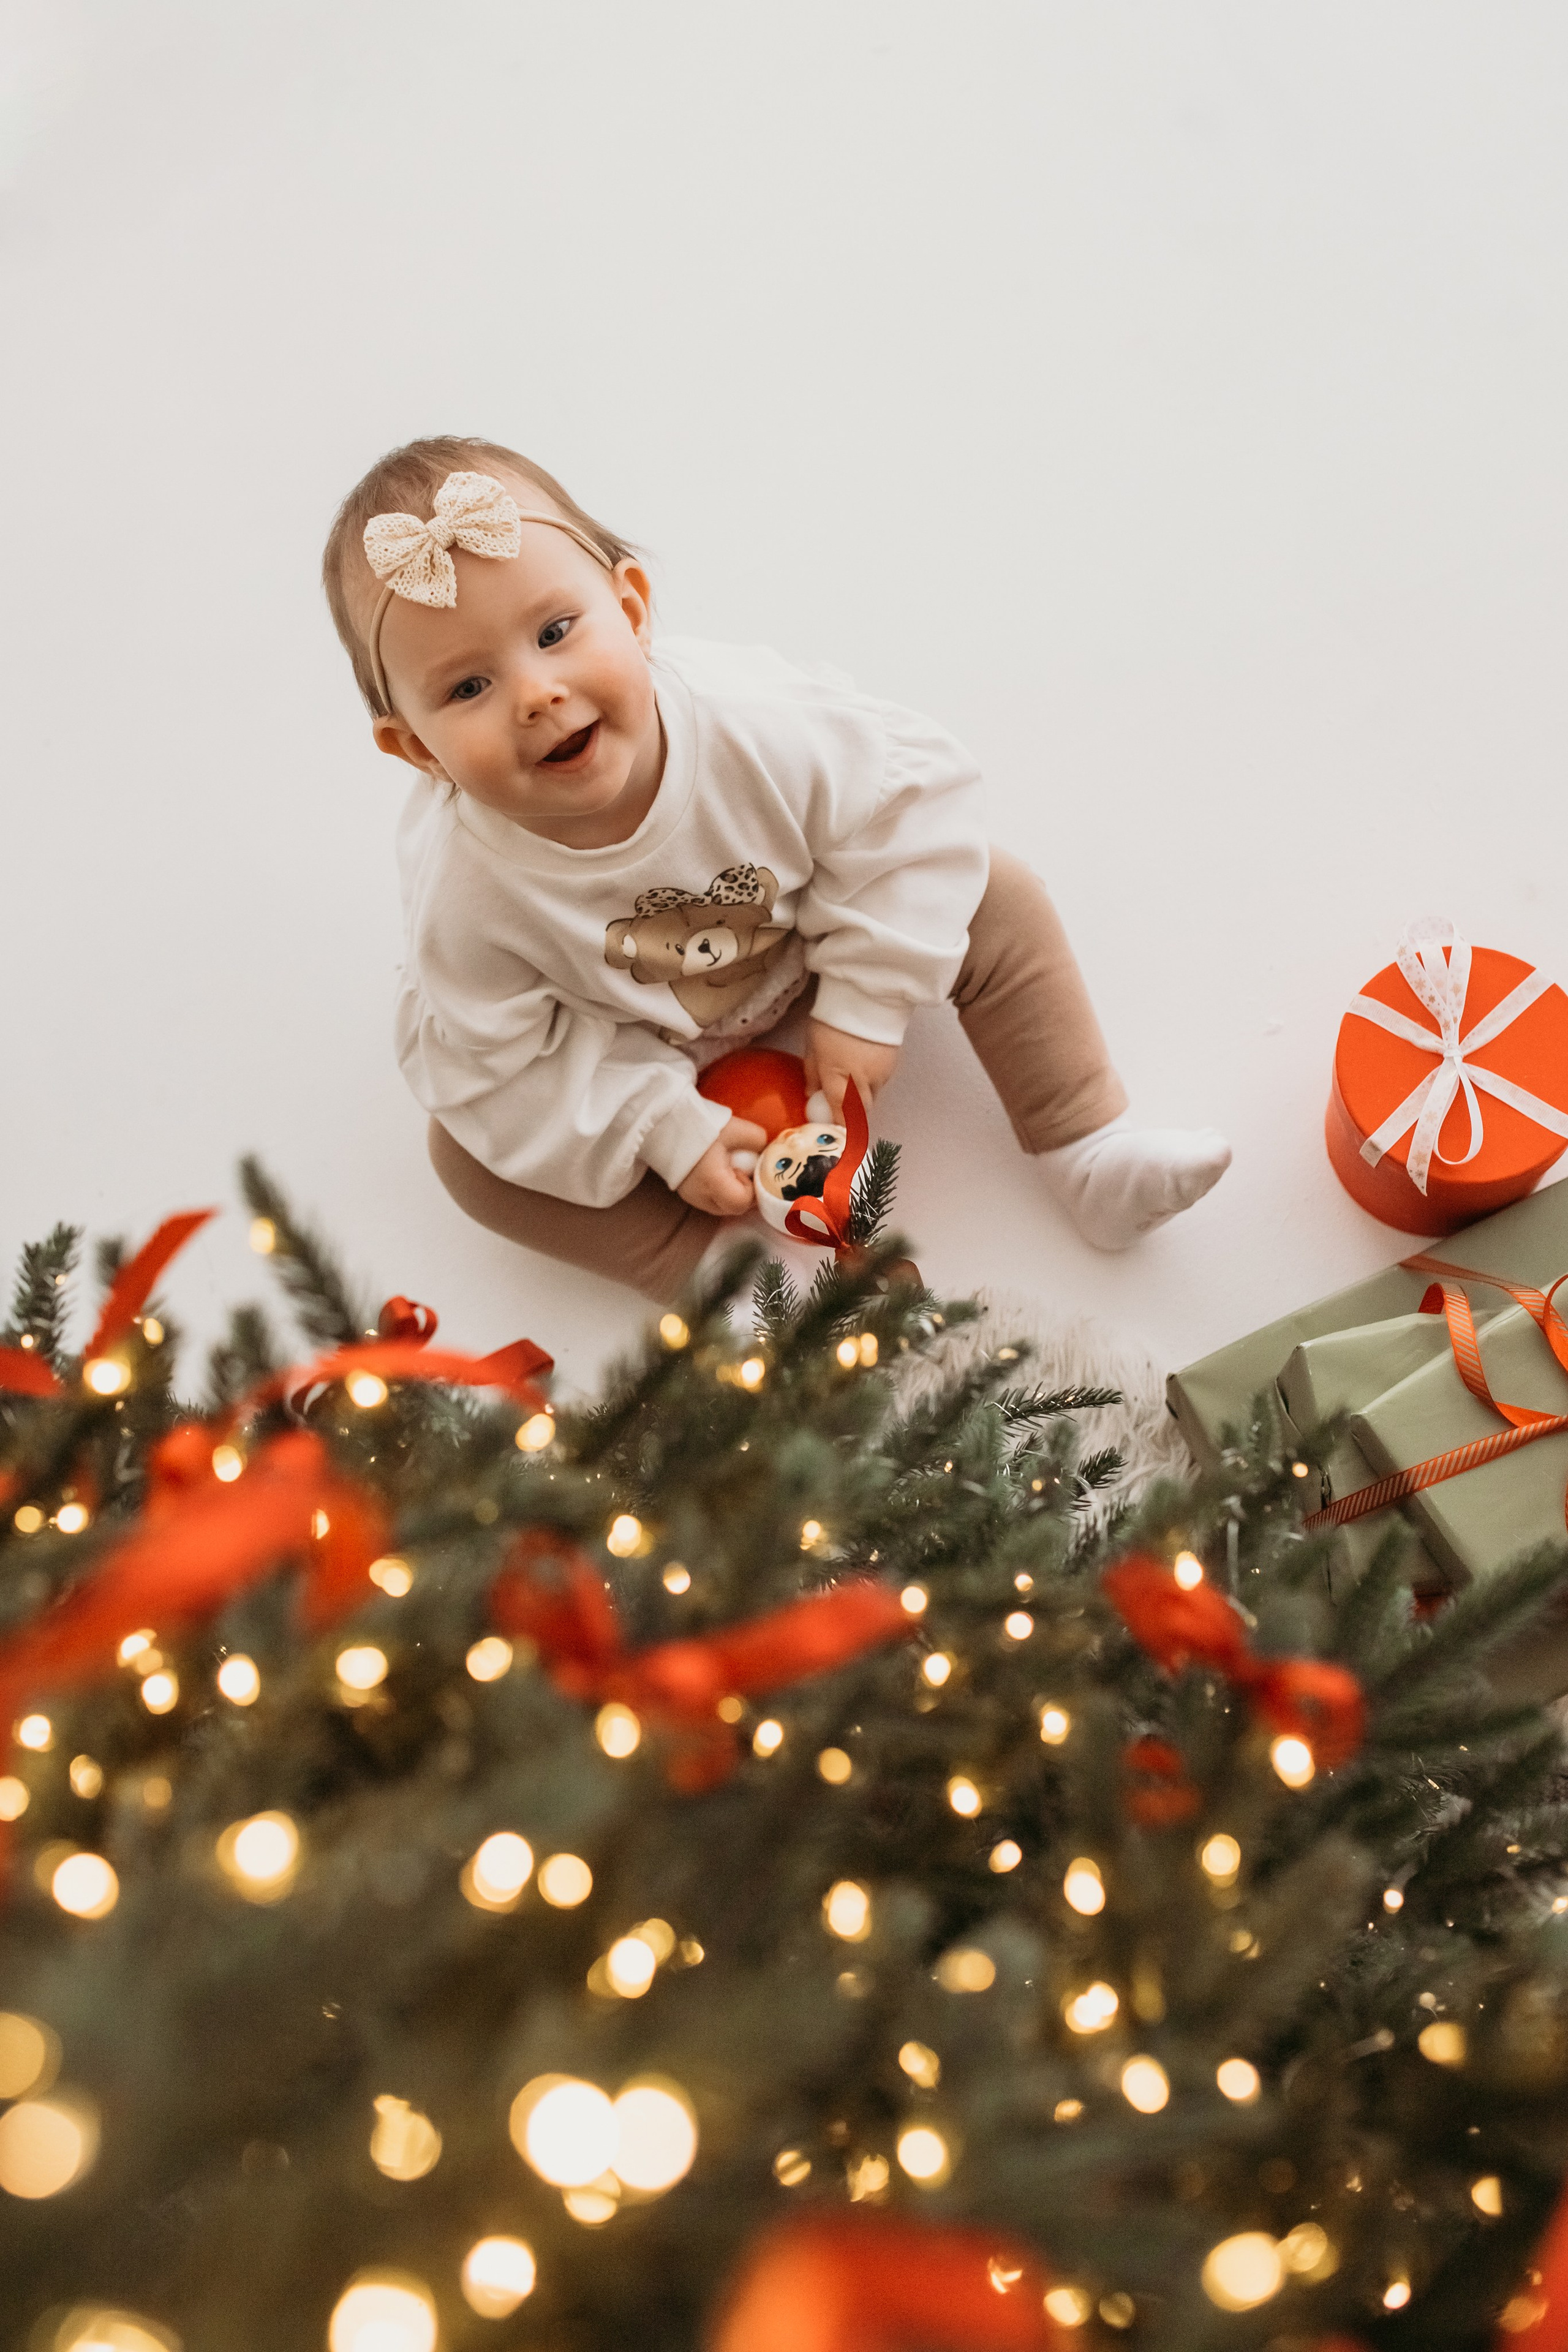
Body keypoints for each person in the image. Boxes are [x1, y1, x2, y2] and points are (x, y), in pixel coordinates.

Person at [322, 437, 1231, 1302]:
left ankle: (1085, 1147)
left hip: (806, 937)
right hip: (631, 1040)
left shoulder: (754, 723)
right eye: (467, 688)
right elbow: (498, 1059)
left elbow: (902, 809)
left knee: (997, 891)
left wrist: (867, 996)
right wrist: (662, 1127)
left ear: (631, 610)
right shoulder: (465, 894)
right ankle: (723, 1284)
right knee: (466, 1159)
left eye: (556, 630)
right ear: (417, 751)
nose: (535, 694)